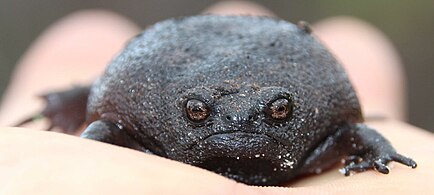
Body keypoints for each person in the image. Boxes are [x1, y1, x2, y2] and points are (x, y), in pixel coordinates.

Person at [0, 1, 432, 194]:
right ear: (187, 109)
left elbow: (355, 132)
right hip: (166, 64)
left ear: (291, 109)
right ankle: (63, 101)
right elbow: (106, 125)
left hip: (284, 59)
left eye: (277, 112)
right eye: (201, 114)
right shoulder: (147, 110)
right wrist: (83, 155)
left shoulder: (322, 127)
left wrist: (378, 155)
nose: (237, 125)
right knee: (103, 91)